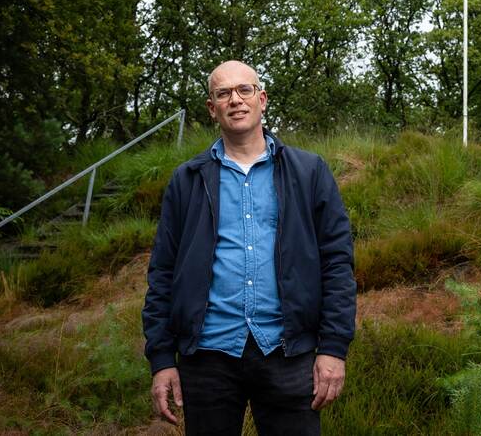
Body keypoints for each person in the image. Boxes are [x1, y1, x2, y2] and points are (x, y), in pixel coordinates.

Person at [142, 60, 356, 435]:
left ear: (262, 99)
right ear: (212, 108)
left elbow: (336, 264)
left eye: (245, 90)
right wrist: (162, 359)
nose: (235, 100)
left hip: (288, 352)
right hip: (207, 356)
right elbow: (162, 272)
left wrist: (333, 348)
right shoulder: (187, 180)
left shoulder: (309, 172)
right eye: (223, 93)